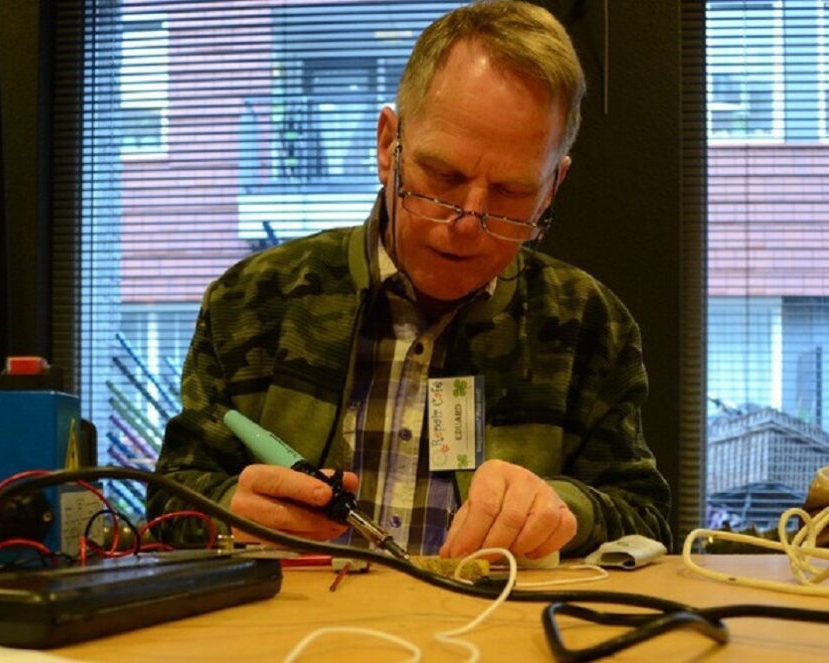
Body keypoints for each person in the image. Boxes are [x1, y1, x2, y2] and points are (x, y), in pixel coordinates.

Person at [146, 0, 672, 560]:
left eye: (513, 194)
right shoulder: (252, 303)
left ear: (552, 188)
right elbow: (168, 505)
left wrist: (564, 509)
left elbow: (645, 518)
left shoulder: (589, 324)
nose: (468, 224)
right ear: (387, 145)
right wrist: (228, 511)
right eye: (442, 177)